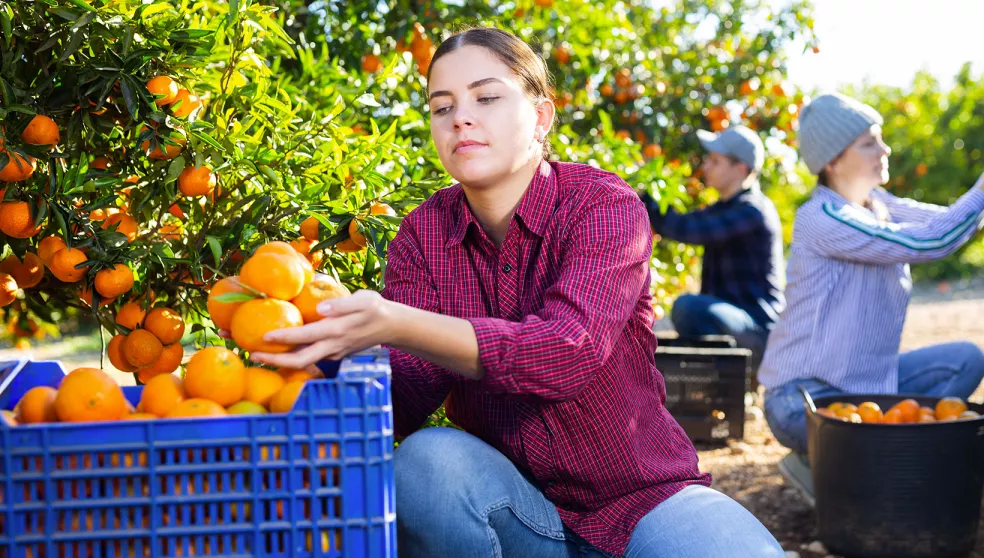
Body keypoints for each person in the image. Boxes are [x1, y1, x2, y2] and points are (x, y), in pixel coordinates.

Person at [249, 27, 785, 558]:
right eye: (442, 106)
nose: (461, 117)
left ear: (541, 117)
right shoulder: (423, 235)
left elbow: (567, 350)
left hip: (645, 504)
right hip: (516, 511)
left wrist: (397, 323)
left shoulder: (603, 206)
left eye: (486, 97)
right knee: (428, 461)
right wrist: (321, 357)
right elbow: (408, 394)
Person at [757, 92, 984, 506]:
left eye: (880, 138)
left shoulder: (880, 206)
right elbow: (932, 242)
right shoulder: (822, 218)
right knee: (866, 452)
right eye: (869, 142)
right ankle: (820, 463)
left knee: (964, 361)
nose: (884, 149)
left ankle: (846, 461)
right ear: (832, 161)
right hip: (800, 401)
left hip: (865, 392)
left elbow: (947, 223)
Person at [640, 126, 784, 361]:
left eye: (715, 161)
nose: (705, 166)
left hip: (757, 329)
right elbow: (685, 221)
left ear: (740, 169)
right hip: (733, 321)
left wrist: (646, 201)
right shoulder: (724, 208)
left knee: (688, 307)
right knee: (692, 309)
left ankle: (737, 377)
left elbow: (688, 230)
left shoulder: (753, 211)